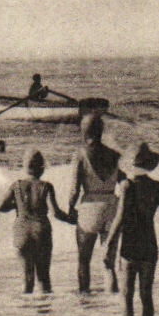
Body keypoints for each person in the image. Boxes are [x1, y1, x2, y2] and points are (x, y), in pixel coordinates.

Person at [105, 144, 159, 316]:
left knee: (126, 296)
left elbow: (119, 219)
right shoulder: (157, 187)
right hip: (150, 245)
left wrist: (109, 245)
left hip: (130, 244)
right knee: (146, 295)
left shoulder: (127, 186)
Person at [0, 150, 74, 294]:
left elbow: (0, 207)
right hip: (41, 231)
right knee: (44, 279)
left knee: (27, 280)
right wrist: (73, 220)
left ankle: (27, 313)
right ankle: (44, 313)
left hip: (21, 232)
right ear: (42, 167)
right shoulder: (46, 186)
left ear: (25, 167)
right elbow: (56, 213)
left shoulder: (16, 186)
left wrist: (17, 205)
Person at [68, 113, 123, 293]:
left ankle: (84, 301)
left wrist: (70, 209)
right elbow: (122, 181)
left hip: (90, 208)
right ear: (101, 131)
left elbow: (75, 189)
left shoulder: (81, 155)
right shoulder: (115, 155)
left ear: (84, 132)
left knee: (84, 261)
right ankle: (112, 302)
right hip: (111, 207)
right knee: (109, 264)